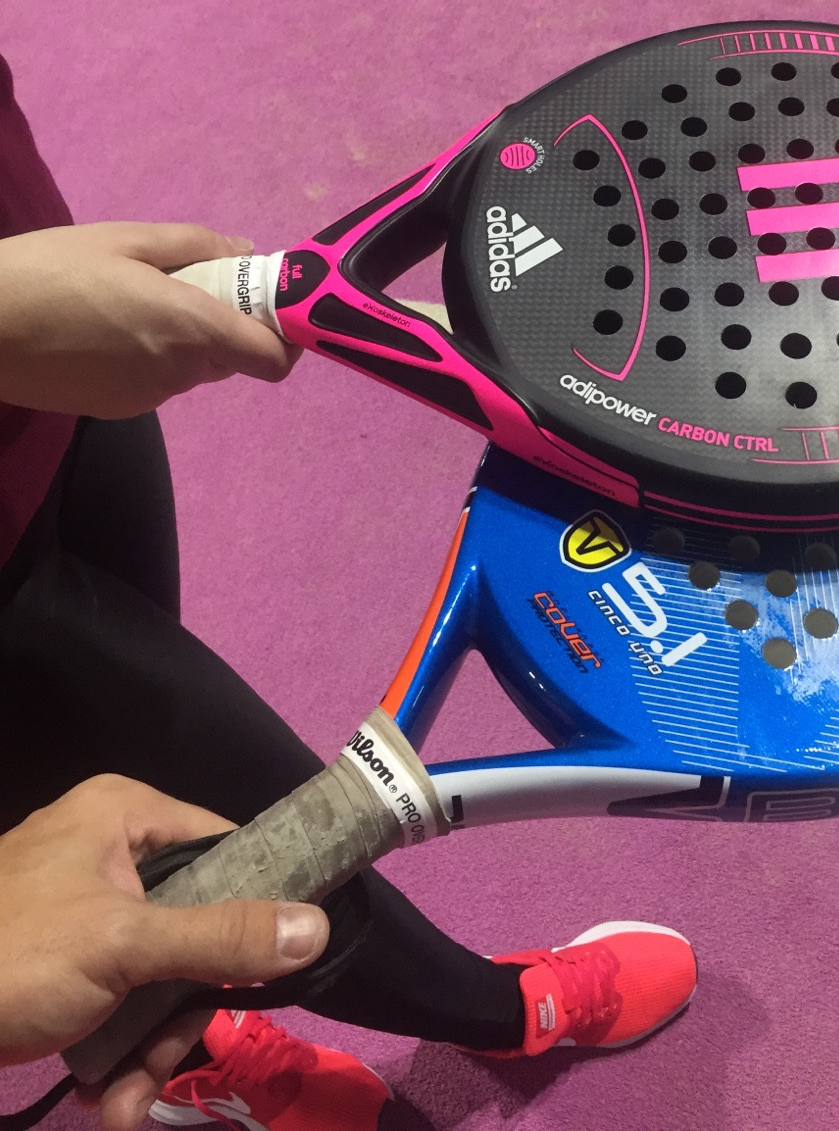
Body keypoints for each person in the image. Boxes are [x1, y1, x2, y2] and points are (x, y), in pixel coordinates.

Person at [0, 55, 697, 1131]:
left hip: (57, 342)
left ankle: (177, 1028)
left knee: (114, 817)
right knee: (228, 821)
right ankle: (505, 1012)